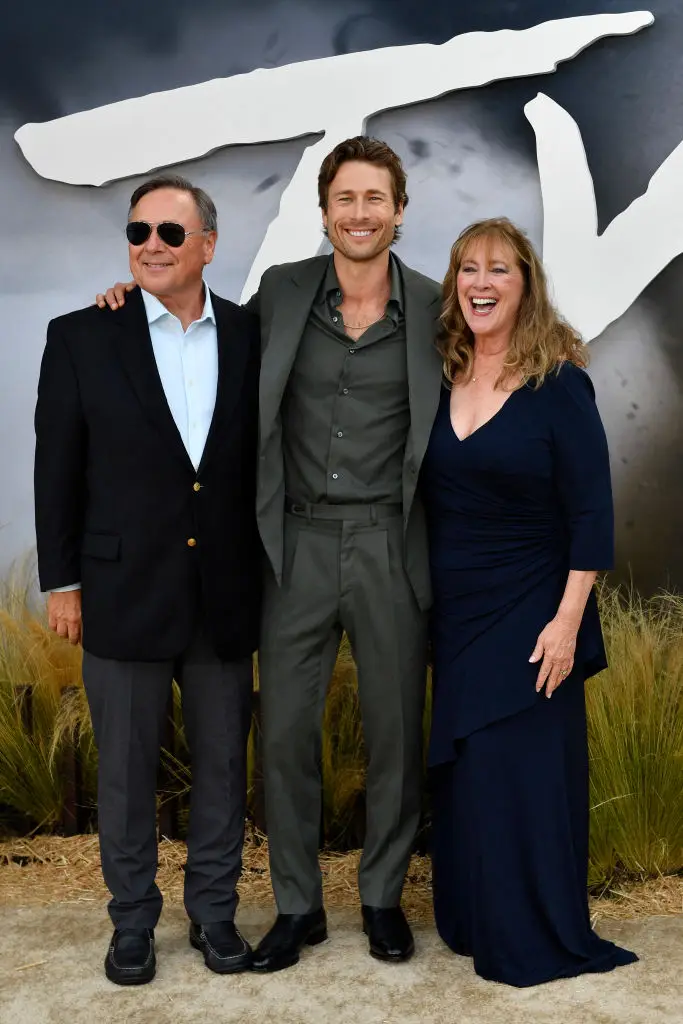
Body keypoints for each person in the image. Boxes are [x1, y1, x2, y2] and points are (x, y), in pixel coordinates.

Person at [97, 136, 444, 971]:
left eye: (374, 198)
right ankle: (296, 906)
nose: (358, 214)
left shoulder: (435, 308)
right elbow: (192, 325)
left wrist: (559, 356)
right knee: (284, 733)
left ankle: (379, 898)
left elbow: (506, 348)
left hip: (387, 542)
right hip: (291, 543)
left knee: (395, 729)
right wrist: (125, 300)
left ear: (399, 210)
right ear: (323, 212)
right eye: (344, 199)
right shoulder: (280, 295)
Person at [35, 175, 261, 984]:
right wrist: (61, 582)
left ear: (207, 244)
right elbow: (56, 468)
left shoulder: (252, 334)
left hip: (224, 592)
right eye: (137, 233)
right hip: (120, 590)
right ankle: (131, 923)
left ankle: (215, 916)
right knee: (125, 773)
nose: (151, 247)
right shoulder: (80, 336)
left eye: (171, 233)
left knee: (224, 769)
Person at [420, 217, 638, 986]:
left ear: (525, 286)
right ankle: (476, 917)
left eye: (499, 270)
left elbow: (591, 513)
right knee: (472, 771)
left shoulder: (558, 381)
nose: (480, 283)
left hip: (534, 608)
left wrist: (566, 623)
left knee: (522, 770)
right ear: (453, 285)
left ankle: (532, 928)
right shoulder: (440, 369)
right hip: (456, 611)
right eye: (467, 269)